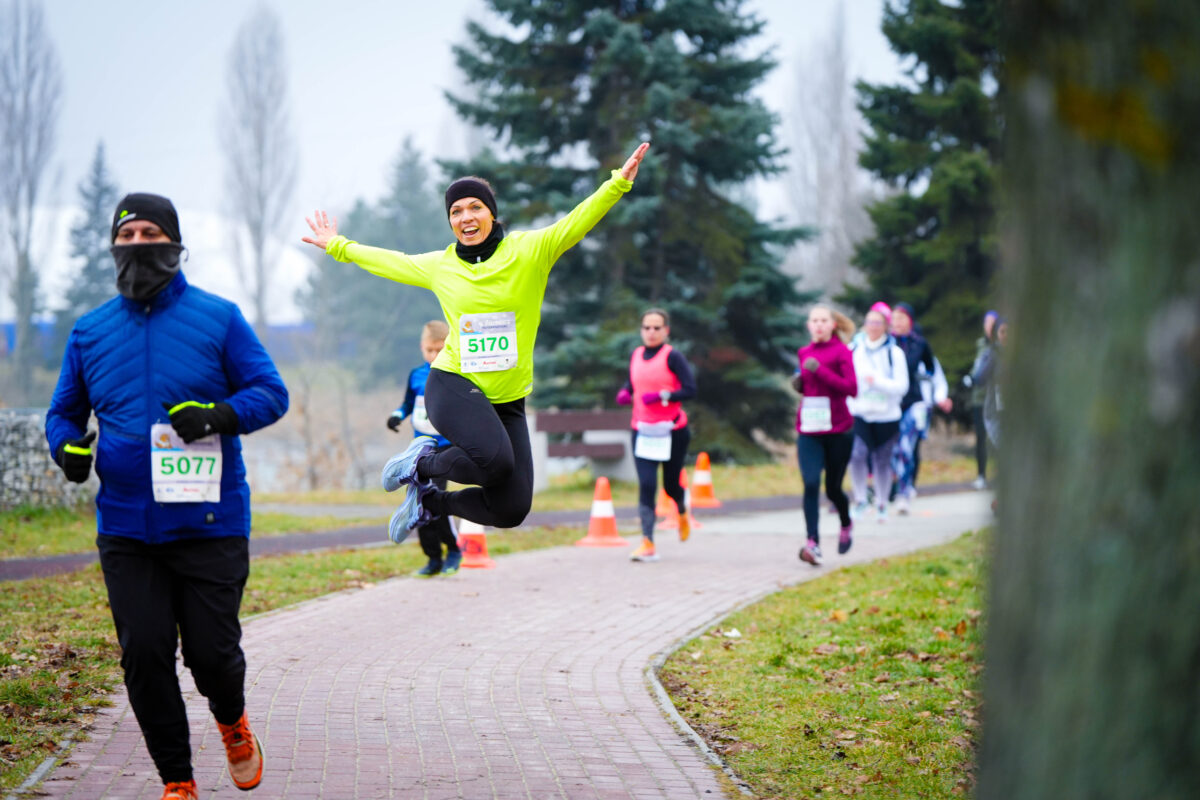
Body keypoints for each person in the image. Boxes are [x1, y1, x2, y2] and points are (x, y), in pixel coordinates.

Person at [46, 193, 288, 800]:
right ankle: (177, 781)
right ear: (113, 247)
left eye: (150, 233)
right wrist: (66, 448)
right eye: (125, 236)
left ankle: (232, 721)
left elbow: (271, 391)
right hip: (127, 528)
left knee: (211, 656)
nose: (137, 245)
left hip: (211, 522)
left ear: (175, 245)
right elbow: (63, 414)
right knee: (145, 655)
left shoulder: (219, 317)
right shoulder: (90, 332)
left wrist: (218, 415)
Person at [303, 143, 650, 543]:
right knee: (495, 463)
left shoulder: (530, 252)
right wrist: (337, 245)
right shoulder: (441, 266)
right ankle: (422, 462)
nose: (466, 217)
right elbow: (389, 261)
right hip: (453, 384)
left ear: (491, 213)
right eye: (456, 212)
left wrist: (617, 185)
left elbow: (576, 221)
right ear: (450, 222)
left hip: (507, 399)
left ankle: (429, 505)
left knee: (512, 507)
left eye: (474, 207)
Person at [614, 308, 697, 562]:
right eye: (647, 327)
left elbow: (691, 389)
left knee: (671, 485)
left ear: (666, 331)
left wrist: (663, 396)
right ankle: (648, 542)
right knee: (647, 485)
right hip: (643, 431)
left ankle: (681, 510)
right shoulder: (636, 354)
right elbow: (633, 383)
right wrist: (625, 392)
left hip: (672, 431)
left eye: (656, 328)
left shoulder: (673, 357)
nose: (651, 332)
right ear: (641, 330)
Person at [387, 320, 463, 576]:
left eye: (439, 350)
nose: (434, 355)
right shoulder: (416, 375)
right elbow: (408, 403)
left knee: (435, 500)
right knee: (416, 503)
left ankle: (453, 551)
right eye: (430, 350)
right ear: (422, 347)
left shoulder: (454, 373)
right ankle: (433, 558)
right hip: (418, 451)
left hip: (445, 449)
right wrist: (397, 415)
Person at [792, 306, 857, 566]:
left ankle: (845, 522)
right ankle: (813, 544)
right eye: (814, 321)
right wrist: (800, 385)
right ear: (808, 325)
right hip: (809, 429)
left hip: (838, 430)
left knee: (832, 489)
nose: (818, 325)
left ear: (833, 325)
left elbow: (851, 388)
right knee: (809, 483)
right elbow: (810, 387)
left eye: (823, 321)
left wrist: (820, 371)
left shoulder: (841, 352)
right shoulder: (804, 352)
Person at [847, 307, 909, 524]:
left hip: (887, 415)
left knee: (882, 460)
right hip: (861, 413)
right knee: (857, 454)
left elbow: (902, 387)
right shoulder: (854, 349)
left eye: (877, 323)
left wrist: (877, 382)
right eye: (869, 322)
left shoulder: (895, 353)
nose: (872, 327)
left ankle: (882, 503)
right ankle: (861, 499)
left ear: (886, 326)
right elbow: (846, 379)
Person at [888, 302, 951, 514]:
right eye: (894, 318)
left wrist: (934, 394)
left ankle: (904, 494)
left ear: (910, 321)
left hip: (915, 401)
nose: (897, 322)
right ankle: (888, 489)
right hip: (891, 403)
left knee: (907, 448)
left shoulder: (920, 344)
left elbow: (933, 370)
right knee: (894, 449)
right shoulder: (886, 344)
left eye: (901, 318)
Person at [964, 310, 999, 489]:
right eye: (987, 322)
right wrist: (971, 377)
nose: (989, 326)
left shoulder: (1001, 346)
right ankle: (981, 475)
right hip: (980, 399)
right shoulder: (981, 345)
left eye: (993, 323)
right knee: (981, 437)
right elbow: (979, 369)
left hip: (998, 401)